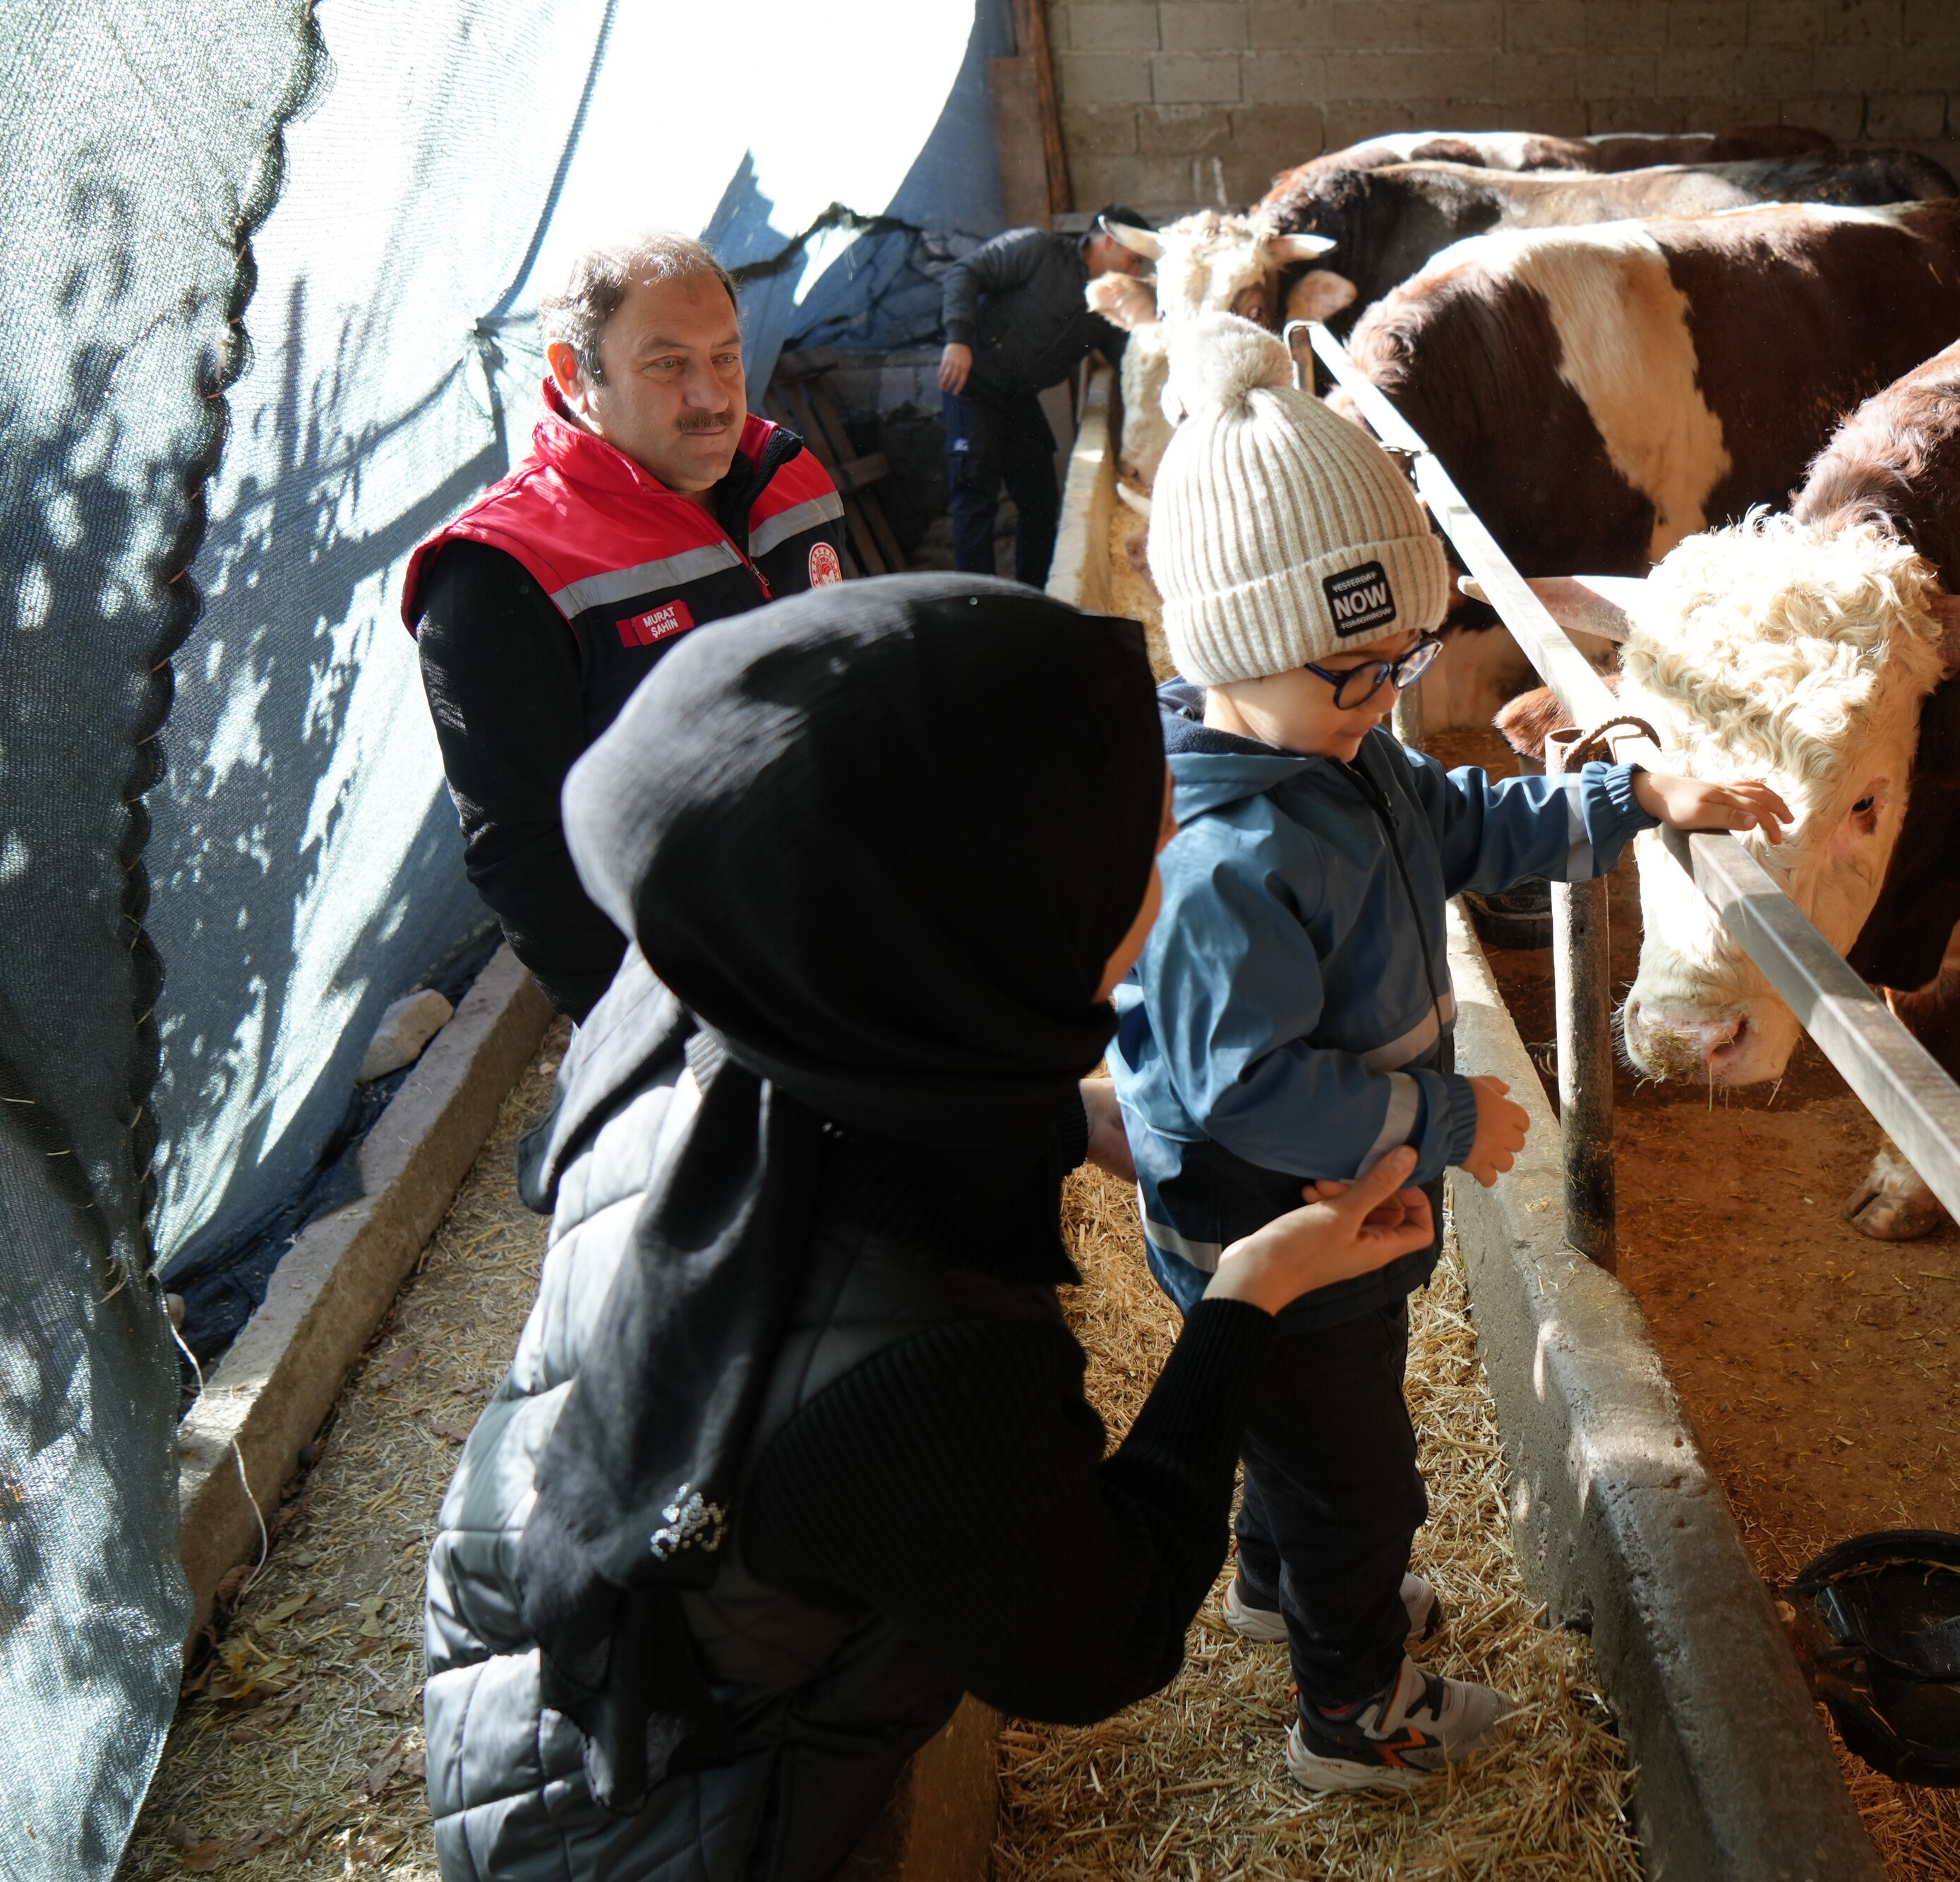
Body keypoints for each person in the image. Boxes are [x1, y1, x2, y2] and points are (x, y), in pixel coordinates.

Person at [421, 574, 1436, 1878]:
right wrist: (1246, 1300)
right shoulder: (914, 1364)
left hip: (577, 1688)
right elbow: (1099, 1640)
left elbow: (895, 1108)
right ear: (990, 907)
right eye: (1142, 841)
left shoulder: (707, 1016)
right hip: (690, 1834)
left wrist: (1070, 1122)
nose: (1175, 872)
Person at [1108, 315, 1791, 1792]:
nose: (1387, 697)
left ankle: (1276, 1583)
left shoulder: (1341, 753)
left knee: (1297, 1443)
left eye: (1403, 656)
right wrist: (1441, 1119)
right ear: (1234, 653)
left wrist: (1643, 794)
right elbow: (1247, 1089)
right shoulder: (1225, 856)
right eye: (1353, 671)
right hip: (1274, 1213)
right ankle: (1350, 1711)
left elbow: (1477, 820)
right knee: (1357, 1475)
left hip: (1325, 1204)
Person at [402, 231, 853, 1020]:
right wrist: (647, 1032)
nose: (712, 397)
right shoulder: (500, 573)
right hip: (707, 993)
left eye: (725, 356)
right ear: (573, 373)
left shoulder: (791, 478)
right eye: (667, 364)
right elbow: (526, 853)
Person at [934, 208, 1153, 586]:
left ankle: (1033, 597)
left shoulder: (1108, 306)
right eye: (1133, 260)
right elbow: (964, 272)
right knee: (975, 501)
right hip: (973, 387)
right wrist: (958, 338)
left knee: (1041, 502)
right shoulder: (1036, 249)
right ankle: (976, 609)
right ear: (1109, 242)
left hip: (1019, 401)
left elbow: (1131, 363)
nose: (1133, 273)